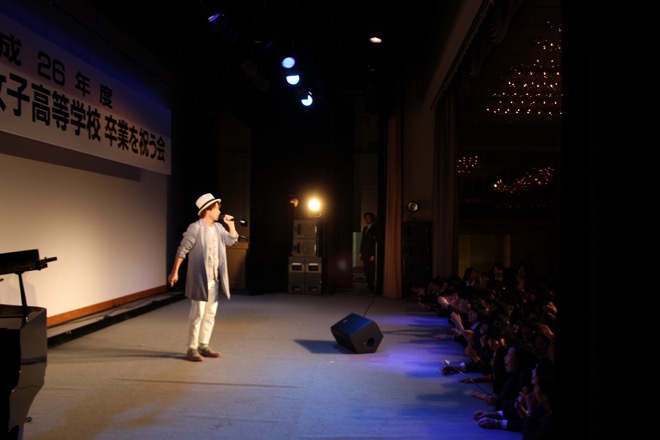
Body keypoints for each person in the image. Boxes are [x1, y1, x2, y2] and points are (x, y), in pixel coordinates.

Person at [168, 193, 239, 362]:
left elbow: (232, 241)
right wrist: (175, 271)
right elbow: (182, 249)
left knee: (210, 314)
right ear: (207, 210)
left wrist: (231, 225)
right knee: (198, 314)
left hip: (214, 279)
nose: (219, 211)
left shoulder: (219, 228)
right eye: (217, 208)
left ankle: (203, 345)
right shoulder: (196, 228)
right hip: (200, 279)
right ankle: (191, 348)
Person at [359, 212, 379, 293]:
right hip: (365, 252)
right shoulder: (365, 228)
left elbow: (374, 242)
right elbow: (363, 241)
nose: (367, 219)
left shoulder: (375, 228)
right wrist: (361, 252)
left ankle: (372, 287)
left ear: (372, 218)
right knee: (366, 270)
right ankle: (369, 285)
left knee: (371, 270)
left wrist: (373, 254)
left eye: (369, 217)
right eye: (366, 218)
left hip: (371, 253)